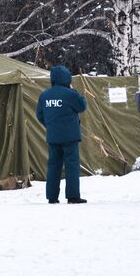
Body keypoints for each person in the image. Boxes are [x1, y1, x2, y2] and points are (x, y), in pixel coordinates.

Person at [36, 65, 87, 204]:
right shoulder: (70, 94)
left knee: (53, 166)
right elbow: (82, 106)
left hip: (53, 136)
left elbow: (39, 115)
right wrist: (74, 91)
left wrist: (51, 125)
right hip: (70, 136)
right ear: (67, 78)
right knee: (71, 166)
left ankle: (52, 197)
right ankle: (72, 196)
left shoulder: (44, 95)